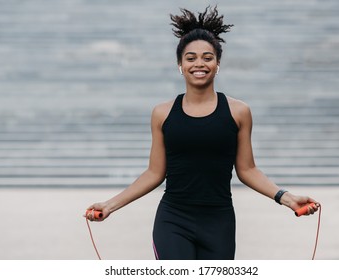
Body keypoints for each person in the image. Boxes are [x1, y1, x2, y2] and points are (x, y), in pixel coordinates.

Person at [85, 6, 319, 260]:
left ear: (217, 65)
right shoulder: (162, 114)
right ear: (180, 65)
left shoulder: (238, 112)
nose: (199, 64)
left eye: (207, 58)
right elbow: (154, 172)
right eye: (191, 58)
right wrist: (109, 205)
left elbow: (248, 169)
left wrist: (287, 198)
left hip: (219, 222)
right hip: (173, 220)